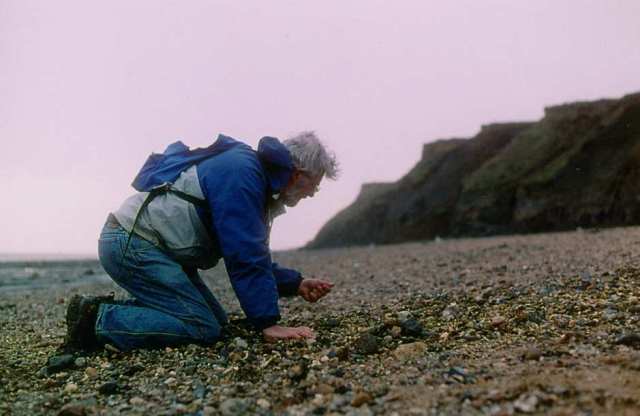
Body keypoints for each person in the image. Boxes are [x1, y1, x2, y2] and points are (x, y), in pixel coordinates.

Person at [62, 131, 338, 352]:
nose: (313, 193)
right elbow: (244, 254)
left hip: (148, 246)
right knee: (202, 327)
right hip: (132, 244)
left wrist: (295, 283)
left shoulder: (252, 176)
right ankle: (95, 322)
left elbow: (248, 252)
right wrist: (269, 323)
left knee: (216, 322)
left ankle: (92, 309)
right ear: (298, 173)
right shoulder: (243, 174)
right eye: (316, 183)